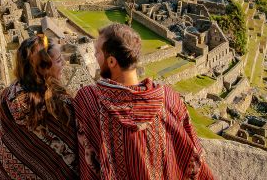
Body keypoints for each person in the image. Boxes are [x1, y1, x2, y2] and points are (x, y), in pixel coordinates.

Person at [73, 23, 215, 180]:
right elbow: (193, 156)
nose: (94, 56)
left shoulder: (90, 99)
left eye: (97, 52)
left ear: (112, 62)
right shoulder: (168, 98)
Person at [0, 34, 79, 180]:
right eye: (59, 60)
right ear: (44, 68)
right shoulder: (62, 106)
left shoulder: (7, 96)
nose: (64, 63)